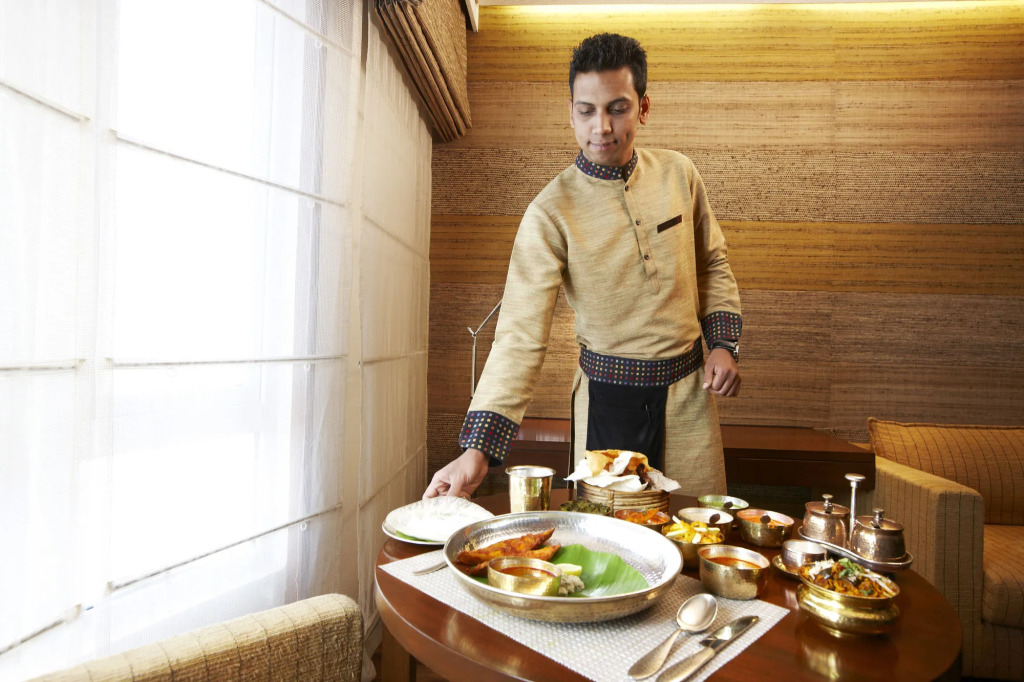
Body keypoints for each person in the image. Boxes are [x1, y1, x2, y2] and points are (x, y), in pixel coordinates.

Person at [424, 33, 741, 500]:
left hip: (690, 399)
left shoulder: (680, 175)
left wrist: (724, 345)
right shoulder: (549, 212)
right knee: (609, 535)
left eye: (617, 108)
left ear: (643, 108)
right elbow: (519, 335)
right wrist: (477, 451)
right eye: (587, 111)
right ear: (570, 112)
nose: (602, 127)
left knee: (697, 528)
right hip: (606, 404)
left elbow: (712, 262)